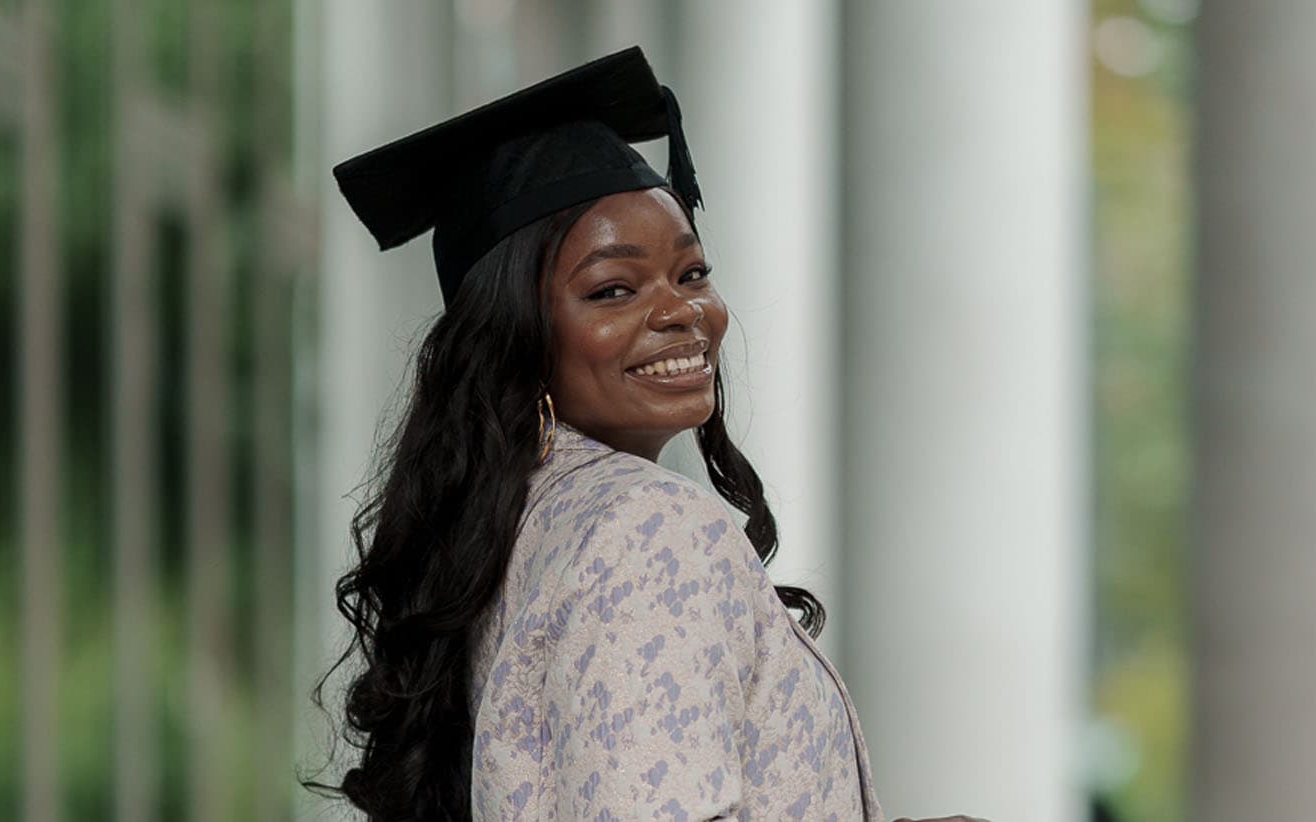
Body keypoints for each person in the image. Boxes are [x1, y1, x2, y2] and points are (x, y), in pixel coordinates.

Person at [317, 46, 986, 822]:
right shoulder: (646, 529)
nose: (680, 311)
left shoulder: (513, 530)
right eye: (613, 288)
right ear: (515, 337)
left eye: (692, 273)